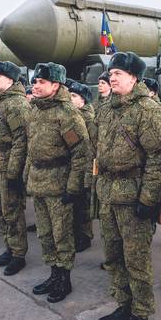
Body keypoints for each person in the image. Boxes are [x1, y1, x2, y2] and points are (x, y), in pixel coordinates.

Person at [95, 52, 161, 320]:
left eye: (119, 74)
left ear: (134, 77)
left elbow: (160, 157)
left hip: (133, 195)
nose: (112, 77)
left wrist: (148, 200)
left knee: (136, 260)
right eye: (111, 73)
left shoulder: (147, 110)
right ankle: (123, 304)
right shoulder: (106, 108)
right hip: (108, 194)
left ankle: (141, 313)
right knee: (113, 256)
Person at [25, 62, 89, 303]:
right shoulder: (36, 110)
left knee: (62, 234)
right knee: (45, 233)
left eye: (41, 82)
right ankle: (53, 273)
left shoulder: (67, 114)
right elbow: (31, 148)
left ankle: (64, 278)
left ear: (56, 84)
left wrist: (73, 187)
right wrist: (26, 175)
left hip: (59, 183)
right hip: (39, 181)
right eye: (35, 81)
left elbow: (80, 153)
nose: (36, 85)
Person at [0, 61, 30, 276]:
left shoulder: (16, 104)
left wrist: (14, 172)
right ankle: (9, 248)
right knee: (0, 211)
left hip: (7, 165)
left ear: (11, 80)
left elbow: (21, 140)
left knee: (12, 211)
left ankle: (18, 253)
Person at [68, 81, 97, 253]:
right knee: (75, 204)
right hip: (73, 166)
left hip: (84, 166)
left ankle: (85, 236)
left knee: (83, 205)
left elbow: (89, 148)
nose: (70, 99)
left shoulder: (88, 120)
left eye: (74, 96)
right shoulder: (73, 116)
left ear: (83, 100)